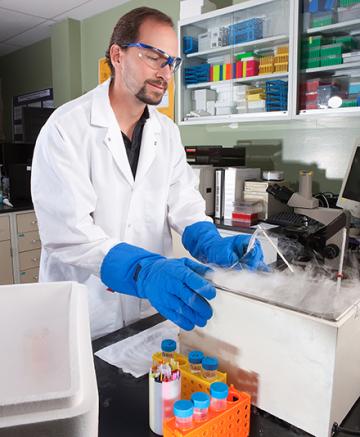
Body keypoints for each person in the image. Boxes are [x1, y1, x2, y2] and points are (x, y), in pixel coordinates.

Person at [31, 7, 267, 339]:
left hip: (148, 311)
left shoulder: (166, 132)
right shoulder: (66, 128)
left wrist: (211, 242)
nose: (165, 73)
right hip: (86, 309)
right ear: (118, 55)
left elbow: (183, 203)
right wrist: (142, 270)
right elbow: (69, 235)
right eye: (154, 57)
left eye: (171, 62)